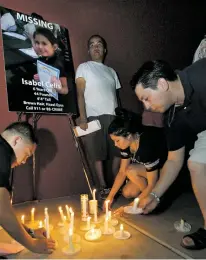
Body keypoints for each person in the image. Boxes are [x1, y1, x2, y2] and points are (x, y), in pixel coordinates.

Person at [131, 58, 206, 250]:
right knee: (197, 164)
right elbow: (174, 160)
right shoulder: (172, 118)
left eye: (146, 98)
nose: (146, 107)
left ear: (162, 84)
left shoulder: (201, 74)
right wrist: (154, 196)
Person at [75, 34, 121, 199]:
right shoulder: (84, 67)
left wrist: (120, 117)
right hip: (94, 116)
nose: (96, 47)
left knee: (118, 152)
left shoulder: (111, 72)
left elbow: (115, 96)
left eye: (99, 44)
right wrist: (82, 117)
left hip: (114, 117)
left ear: (104, 49)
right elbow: (80, 93)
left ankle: (117, 183)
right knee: (97, 154)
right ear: (88, 50)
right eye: (92, 44)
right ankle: (102, 187)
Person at [0, 122, 56, 254]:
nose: (24, 161)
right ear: (16, 140)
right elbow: (2, 212)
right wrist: (33, 245)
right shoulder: (2, 153)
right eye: (27, 153)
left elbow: (4, 208)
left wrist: (29, 232)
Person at [103, 108, 167, 213]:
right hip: (148, 170)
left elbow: (152, 182)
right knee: (127, 192)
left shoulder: (146, 146)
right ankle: (147, 196)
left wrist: (129, 207)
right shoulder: (127, 144)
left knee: (131, 170)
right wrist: (110, 197)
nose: (115, 144)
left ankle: (155, 197)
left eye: (117, 140)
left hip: (164, 171)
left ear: (128, 135)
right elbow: (121, 172)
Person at [33, 27, 69, 95]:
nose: (40, 46)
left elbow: (65, 90)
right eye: (37, 42)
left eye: (44, 43)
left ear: (54, 47)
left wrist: (59, 89)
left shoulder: (60, 63)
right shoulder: (43, 57)